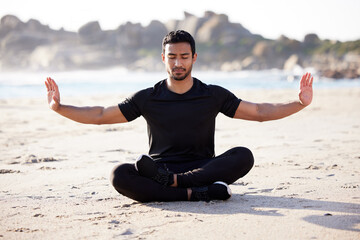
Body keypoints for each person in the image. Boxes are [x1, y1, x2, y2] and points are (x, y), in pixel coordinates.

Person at [45, 30, 313, 203]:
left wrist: (299, 102)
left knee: (244, 155)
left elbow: (259, 112)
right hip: (159, 169)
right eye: (172, 56)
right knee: (120, 174)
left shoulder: (212, 94)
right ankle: (196, 194)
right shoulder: (147, 97)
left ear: (194, 57)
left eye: (184, 56)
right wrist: (59, 107)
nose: (178, 63)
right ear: (163, 58)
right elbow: (102, 115)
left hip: (203, 168)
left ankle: (178, 187)